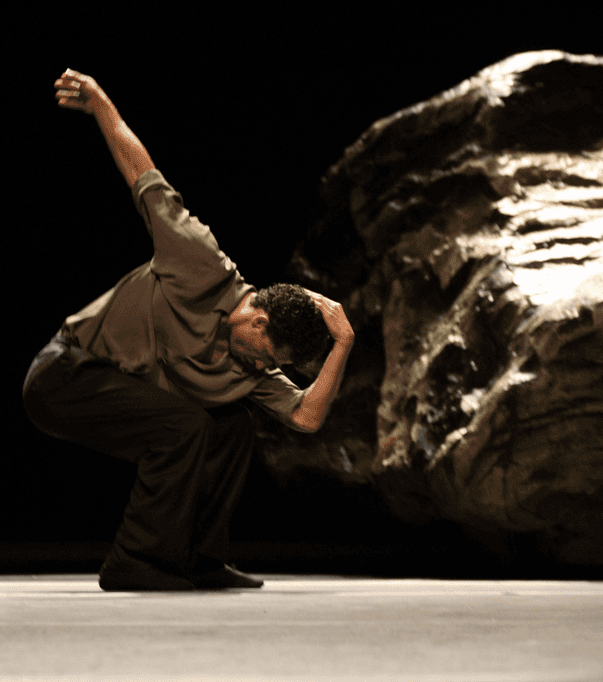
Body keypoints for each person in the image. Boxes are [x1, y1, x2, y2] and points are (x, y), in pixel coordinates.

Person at [22, 69, 355, 591]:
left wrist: (344, 342)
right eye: (269, 357)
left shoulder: (253, 369)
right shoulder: (199, 262)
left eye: (276, 368)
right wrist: (101, 102)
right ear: (258, 319)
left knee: (232, 424)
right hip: (64, 376)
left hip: (123, 392)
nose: (265, 371)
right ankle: (136, 561)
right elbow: (143, 175)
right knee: (185, 425)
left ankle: (199, 557)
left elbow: (307, 417)